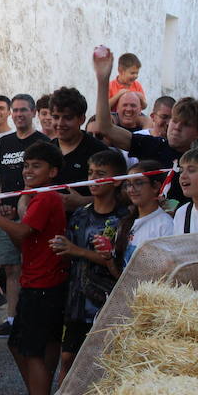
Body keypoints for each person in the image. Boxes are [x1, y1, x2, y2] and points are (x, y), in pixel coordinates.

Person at [0, 141, 66, 395]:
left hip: (44, 284)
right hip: (38, 281)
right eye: (26, 166)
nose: (28, 171)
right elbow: (25, 239)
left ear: (52, 172)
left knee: (31, 350)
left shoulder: (46, 197)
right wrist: (10, 219)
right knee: (24, 346)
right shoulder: (38, 197)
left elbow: (23, 232)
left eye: (36, 166)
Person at [92, 45, 198, 203]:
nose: (177, 127)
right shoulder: (153, 145)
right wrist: (102, 80)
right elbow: (105, 127)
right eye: (175, 120)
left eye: (186, 124)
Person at [51, 149, 129, 378]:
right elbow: (68, 252)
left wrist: (77, 251)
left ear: (116, 181)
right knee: (68, 359)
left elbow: (119, 262)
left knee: (103, 362)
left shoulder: (124, 218)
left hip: (105, 302)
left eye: (101, 174)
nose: (93, 179)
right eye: (90, 173)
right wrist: (61, 248)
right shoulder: (80, 215)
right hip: (76, 300)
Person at [0, 94, 49, 338]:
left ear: (33, 113)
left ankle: (31, 318)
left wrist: (27, 206)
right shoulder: (5, 142)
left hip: (33, 215)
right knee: (11, 268)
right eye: (16, 110)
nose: (19, 114)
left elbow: (48, 181)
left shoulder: (43, 142)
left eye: (24, 110)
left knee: (32, 268)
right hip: (6, 214)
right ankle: (12, 320)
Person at [48, 85, 107, 213]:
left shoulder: (99, 151)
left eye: (67, 118)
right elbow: (28, 189)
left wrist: (83, 202)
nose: (60, 124)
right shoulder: (45, 150)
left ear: (82, 119)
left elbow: (117, 195)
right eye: (56, 117)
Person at [116, 160, 172, 266]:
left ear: (156, 186)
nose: (131, 189)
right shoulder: (125, 223)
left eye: (138, 183)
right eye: (128, 184)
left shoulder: (165, 224)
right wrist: (108, 257)